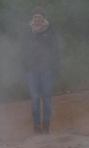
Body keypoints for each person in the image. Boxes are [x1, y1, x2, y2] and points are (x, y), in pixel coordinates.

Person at [20, 7, 60, 135]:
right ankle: (37, 128)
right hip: (31, 71)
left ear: (43, 18)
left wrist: (56, 68)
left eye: (40, 17)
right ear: (32, 18)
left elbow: (56, 50)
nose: (37, 19)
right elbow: (23, 52)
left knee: (47, 99)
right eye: (35, 17)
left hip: (46, 70)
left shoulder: (50, 30)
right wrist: (24, 68)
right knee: (35, 99)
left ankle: (46, 128)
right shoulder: (27, 32)